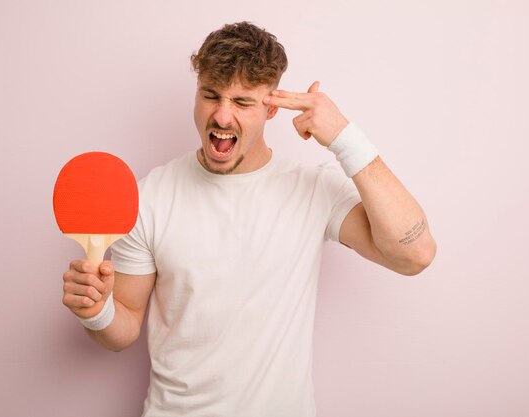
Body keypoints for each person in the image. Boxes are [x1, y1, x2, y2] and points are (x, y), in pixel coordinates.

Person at [61, 21, 436, 417]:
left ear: (272, 107)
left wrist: (343, 137)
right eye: (211, 96)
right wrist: (97, 311)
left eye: (242, 103)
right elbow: (125, 326)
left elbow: (415, 254)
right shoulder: (151, 196)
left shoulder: (311, 190)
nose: (222, 117)